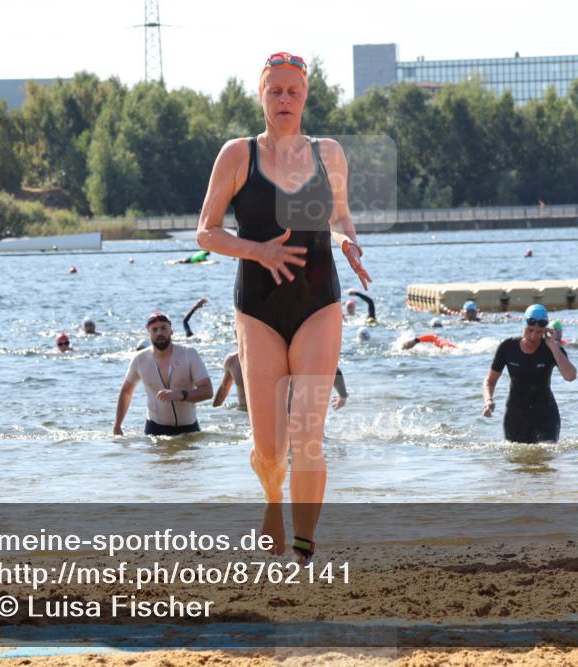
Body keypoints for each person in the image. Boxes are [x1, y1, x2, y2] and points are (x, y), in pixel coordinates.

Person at [196, 52, 371, 563]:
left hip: (319, 303)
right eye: (275, 91)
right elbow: (205, 232)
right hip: (258, 309)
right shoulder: (237, 155)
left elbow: (341, 218)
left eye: (293, 91)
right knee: (271, 450)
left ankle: (303, 548)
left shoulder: (329, 154)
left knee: (308, 434)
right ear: (261, 96)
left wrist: (347, 243)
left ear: (306, 96)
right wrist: (260, 251)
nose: (285, 100)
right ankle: (272, 496)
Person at [482, 304, 577, 443]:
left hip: (546, 414)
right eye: (530, 330)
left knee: (546, 457)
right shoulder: (508, 347)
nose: (533, 336)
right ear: (523, 324)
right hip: (515, 416)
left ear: (545, 330)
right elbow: (489, 381)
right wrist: (488, 400)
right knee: (517, 461)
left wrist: (553, 346)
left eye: (538, 332)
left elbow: (570, 376)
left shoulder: (551, 348)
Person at [113, 312, 214, 436]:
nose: (159, 333)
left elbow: (208, 391)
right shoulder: (139, 359)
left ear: (171, 330)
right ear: (148, 333)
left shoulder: (189, 354)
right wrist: (117, 425)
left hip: (189, 429)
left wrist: (180, 394)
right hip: (155, 431)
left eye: (163, 328)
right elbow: (126, 392)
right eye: (154, 330)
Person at [214, 351, 349, 411]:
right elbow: (334, 370)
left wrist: (343, 396)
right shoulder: (235, 360)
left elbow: (333, 369)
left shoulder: (277, 354)